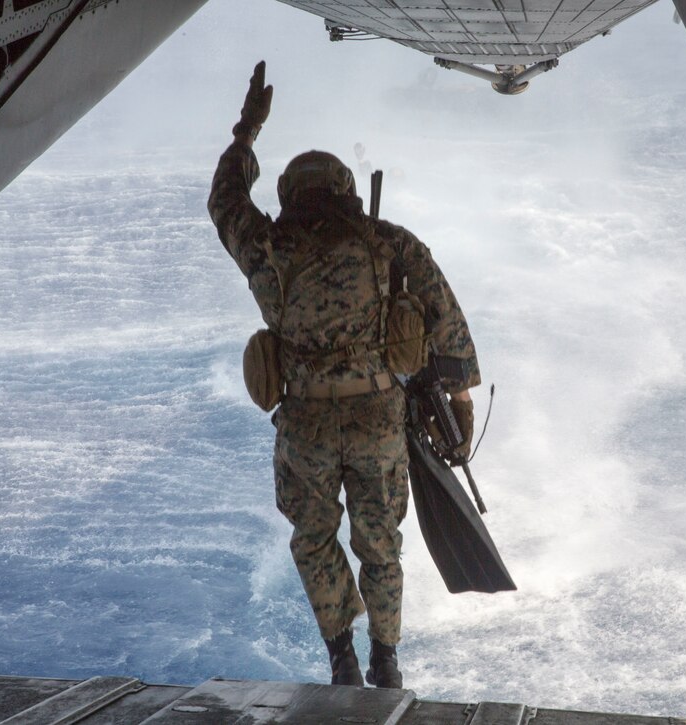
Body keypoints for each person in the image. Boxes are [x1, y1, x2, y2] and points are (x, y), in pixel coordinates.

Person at [208, 62, 480, 688]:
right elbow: (444, 315)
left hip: (304, 425)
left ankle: (342, 657)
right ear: (344, 188)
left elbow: (223, 200)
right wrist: (460, 397)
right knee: (380, 544)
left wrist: (246, 133)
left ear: (290, 195)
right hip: (378, 419)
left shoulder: (266, 249)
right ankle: (387, 660)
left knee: (311, 538)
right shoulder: (387, 242)